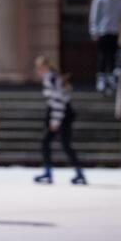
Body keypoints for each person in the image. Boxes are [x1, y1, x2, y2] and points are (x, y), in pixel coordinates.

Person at [33, 56, 86, 185]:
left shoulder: (52, 79)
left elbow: (58, 102)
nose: (38, 72)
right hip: (60, 113)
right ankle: (53, 172)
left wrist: (55, 122)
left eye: (39, 69)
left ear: (44, 68)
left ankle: (52, 173)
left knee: (54, 143)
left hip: (61, 114)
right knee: (55, 144)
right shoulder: (52, 77)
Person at [89, 0, 121, 95]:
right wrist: (93, 30)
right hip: (103, 31)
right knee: (103, 55)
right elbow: (94, 15)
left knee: (112, 56)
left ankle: (112, 79)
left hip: (114, 30)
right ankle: (101, 80)